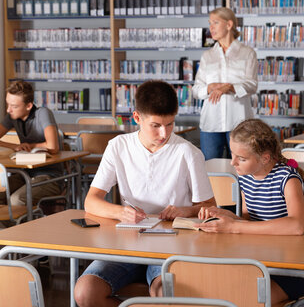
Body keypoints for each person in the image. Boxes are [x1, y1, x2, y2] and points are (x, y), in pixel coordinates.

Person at [74, 80, 215, 307]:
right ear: (137, 118)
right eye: (156, 125)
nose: (164, 133)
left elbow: (209, 207)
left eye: (170, 124)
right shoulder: (117, 146)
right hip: (127, 243)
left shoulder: (189, 153)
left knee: (164, 295)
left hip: (171, 245)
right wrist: (121, 213)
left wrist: (186, 210)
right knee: (84, 292)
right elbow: (91, 202)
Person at [196, 119, 304, 307]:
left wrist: (235, 226)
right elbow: (250, 220)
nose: (233, 162)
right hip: (262, 260)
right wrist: (228, 216)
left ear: (264, 158)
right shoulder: (246, 177)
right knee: (219, 288)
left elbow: (296, 226)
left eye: (242, 158)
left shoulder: (288, 178)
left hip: (296, 268)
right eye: (233, 154)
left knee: (246, 298)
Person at [193, 7, 258, 160]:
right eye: (210, 23)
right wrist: (209, 88)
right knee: (209, 169)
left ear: (229, 25)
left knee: (240, 168)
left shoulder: (247, 53)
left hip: (239, 122)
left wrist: (230, 87)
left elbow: (252, 85)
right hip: (211, 123)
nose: (211, 28)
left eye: (215, 23)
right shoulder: (207, 56)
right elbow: (196, 90)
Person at [0, 80, 62, 206]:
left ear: (28, 106)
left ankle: (23, 225)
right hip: (25, 174)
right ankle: (14, 226)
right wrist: (14, 146)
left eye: (14, 106)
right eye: (7, 104)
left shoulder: (43, 114)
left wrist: (31, 146)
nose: (9, 110)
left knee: (17, 200)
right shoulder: (12, 117)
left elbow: (53, 147)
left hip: (50, 177)